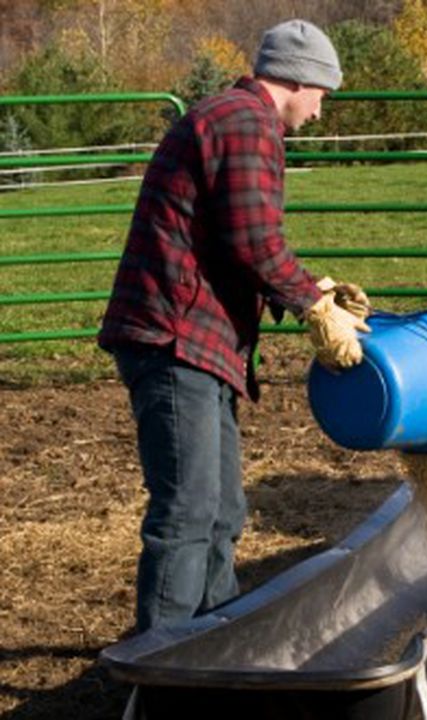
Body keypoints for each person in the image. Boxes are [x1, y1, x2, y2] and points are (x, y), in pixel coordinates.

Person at [98, 19, 369, 633]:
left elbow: (232, 237)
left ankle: (213, 645)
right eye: (323, 94)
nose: (321, 112)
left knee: (222, 511)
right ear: (299, 79)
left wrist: (312, 288)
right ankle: (158, 667)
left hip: (193, 338)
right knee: (190, 510)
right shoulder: (247, 123)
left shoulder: (231, 119)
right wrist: (311, 306)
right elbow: (254, 239)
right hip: (175, 338)